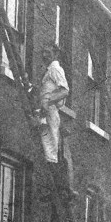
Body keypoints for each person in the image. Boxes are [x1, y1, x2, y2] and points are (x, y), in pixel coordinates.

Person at [36, 43, 75, 198]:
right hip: (45, 112)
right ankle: (53, 187)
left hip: (50, 112)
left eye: (48, 52)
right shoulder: (49, 70)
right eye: (43, 52)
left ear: (55, 54)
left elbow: (65, 90)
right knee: (47, 147)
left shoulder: (55, 69)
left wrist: (48, 102)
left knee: (50, 149)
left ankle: (57, 188)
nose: (45, 55)